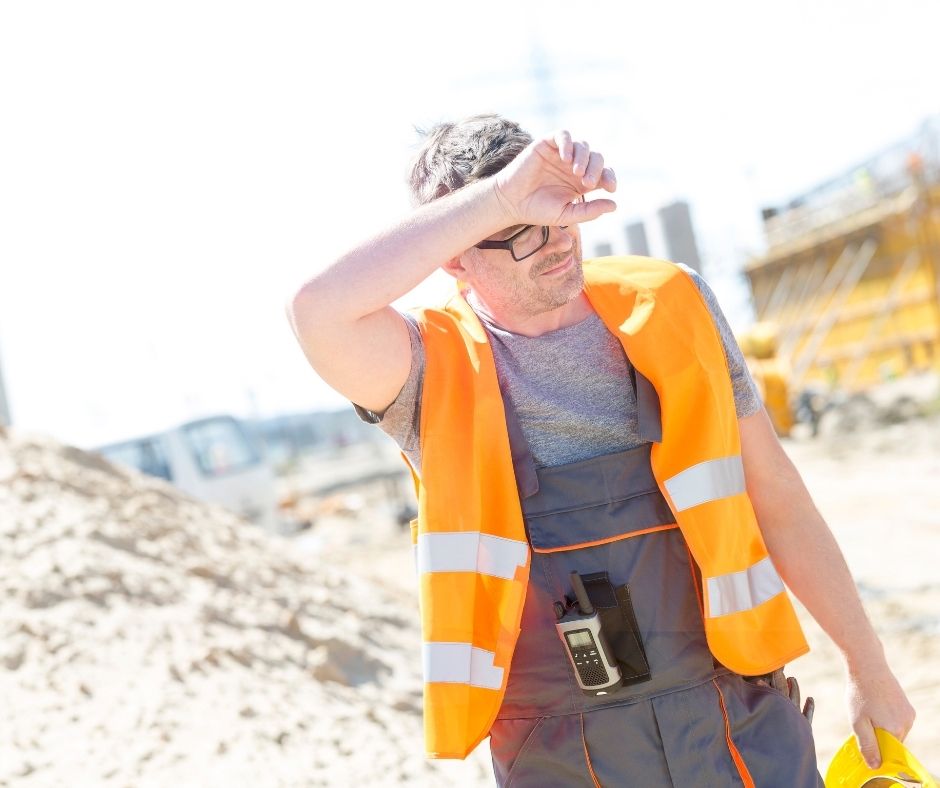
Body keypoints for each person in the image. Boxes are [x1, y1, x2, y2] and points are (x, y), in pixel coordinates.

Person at [285, 114, 915, 786]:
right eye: (519, 228)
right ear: (455, 252)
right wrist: (500, 198)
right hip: (561, 756)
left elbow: (777, 498)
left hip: (735, 725)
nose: (554, 239)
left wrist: (867, 666)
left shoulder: (673, 306)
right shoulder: (427, 369)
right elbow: (317, 311)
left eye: (557, 209)